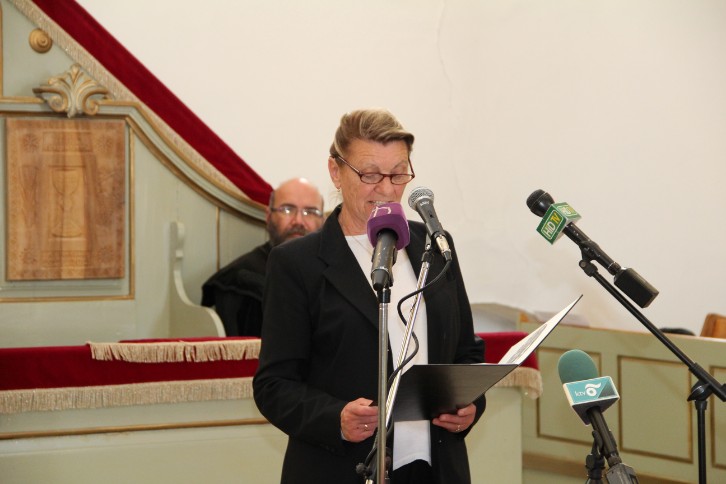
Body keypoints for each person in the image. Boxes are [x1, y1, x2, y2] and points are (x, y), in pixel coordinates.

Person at [253, 108, 485, 483]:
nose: (387, 189)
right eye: (370, 174)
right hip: (340, 468)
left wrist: (472, 405)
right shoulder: (297, 263)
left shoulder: (435, 245)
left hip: (436, 468)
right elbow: (273, 386)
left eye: (398, 173)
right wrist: (336, 418)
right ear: (336, 171)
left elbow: (466, 353)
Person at [201, 177, 324, 336]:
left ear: (323, 221)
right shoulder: (240, 280)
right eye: (287, 209)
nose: (298, 221)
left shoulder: (339, 273)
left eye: (310, 212)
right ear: (268, 216)